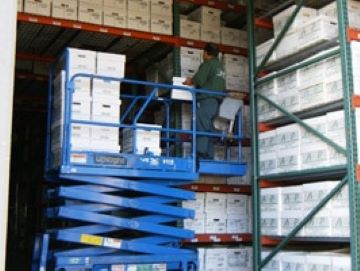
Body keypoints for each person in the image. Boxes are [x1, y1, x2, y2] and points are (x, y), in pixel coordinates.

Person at [183, 43, 226, 160]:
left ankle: (200, 154)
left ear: (206, 53)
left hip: (206, 100)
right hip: (217, 102)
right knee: (209, 129)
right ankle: (209, 155)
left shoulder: (207, 64)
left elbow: (199, 80)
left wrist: (189, 81)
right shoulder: (220, 67)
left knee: (200, 126)